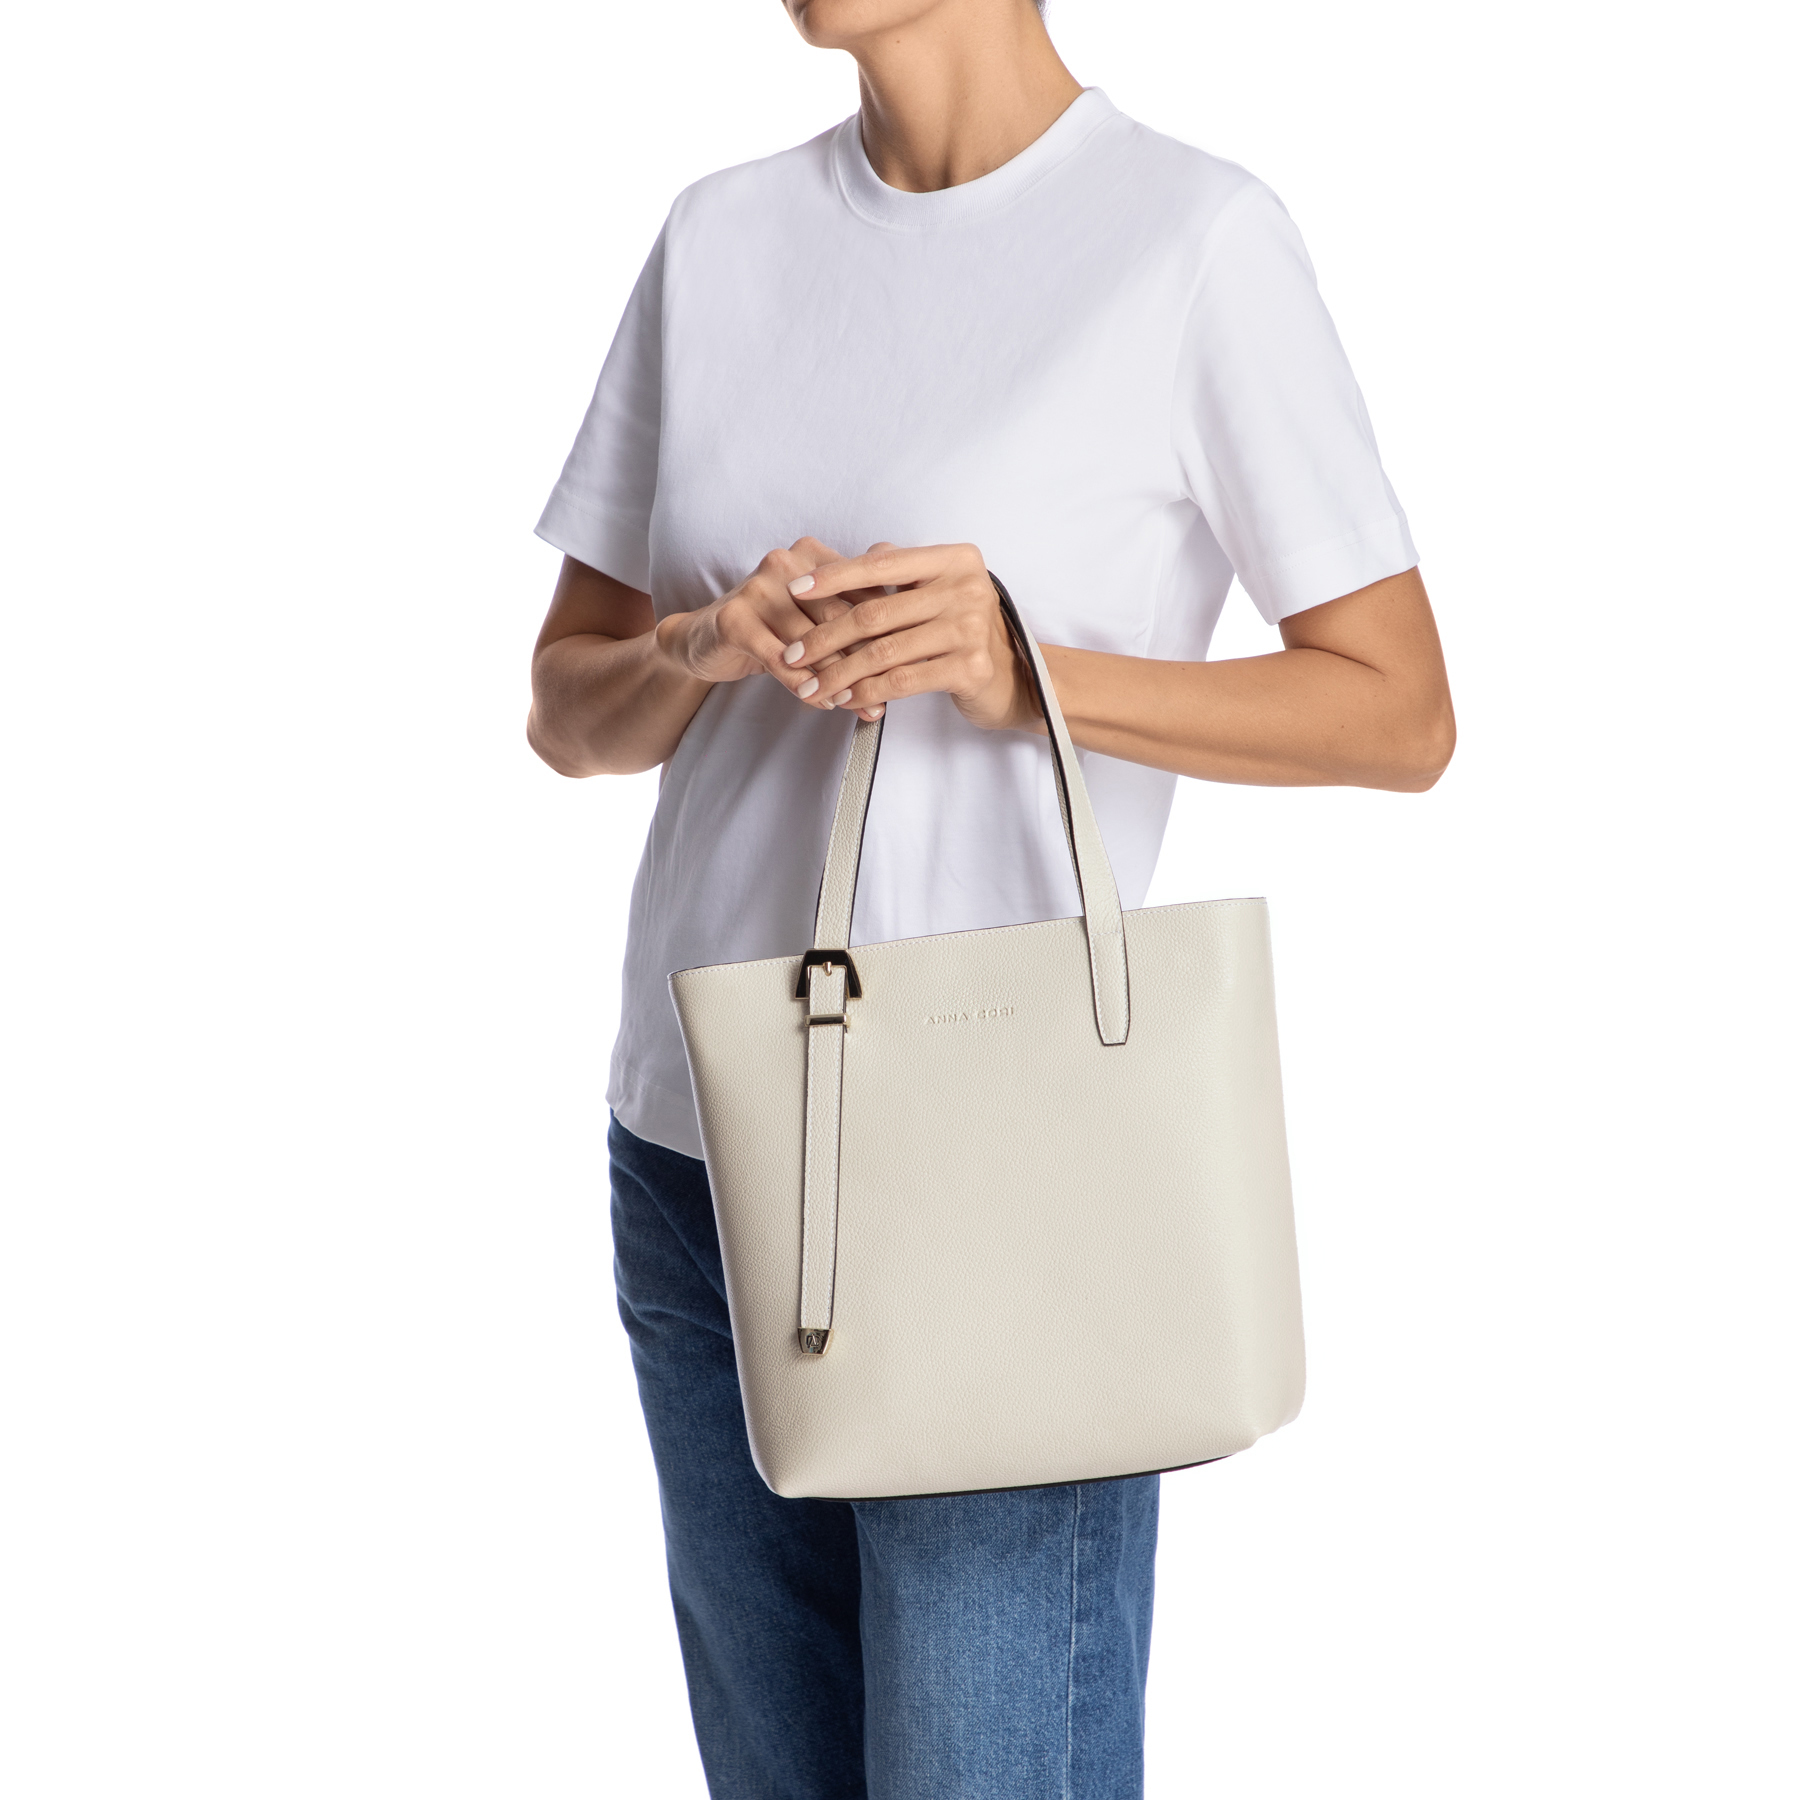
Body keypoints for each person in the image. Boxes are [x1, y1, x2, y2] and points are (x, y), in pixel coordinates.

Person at [526, 1, 1454, 1794]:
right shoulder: (716, 240)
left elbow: (1401, 711)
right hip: (695, 1148)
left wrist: (1029, 669)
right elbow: (567, 711)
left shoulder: (1192, 242)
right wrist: (701, 645)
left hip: (994, 1177)